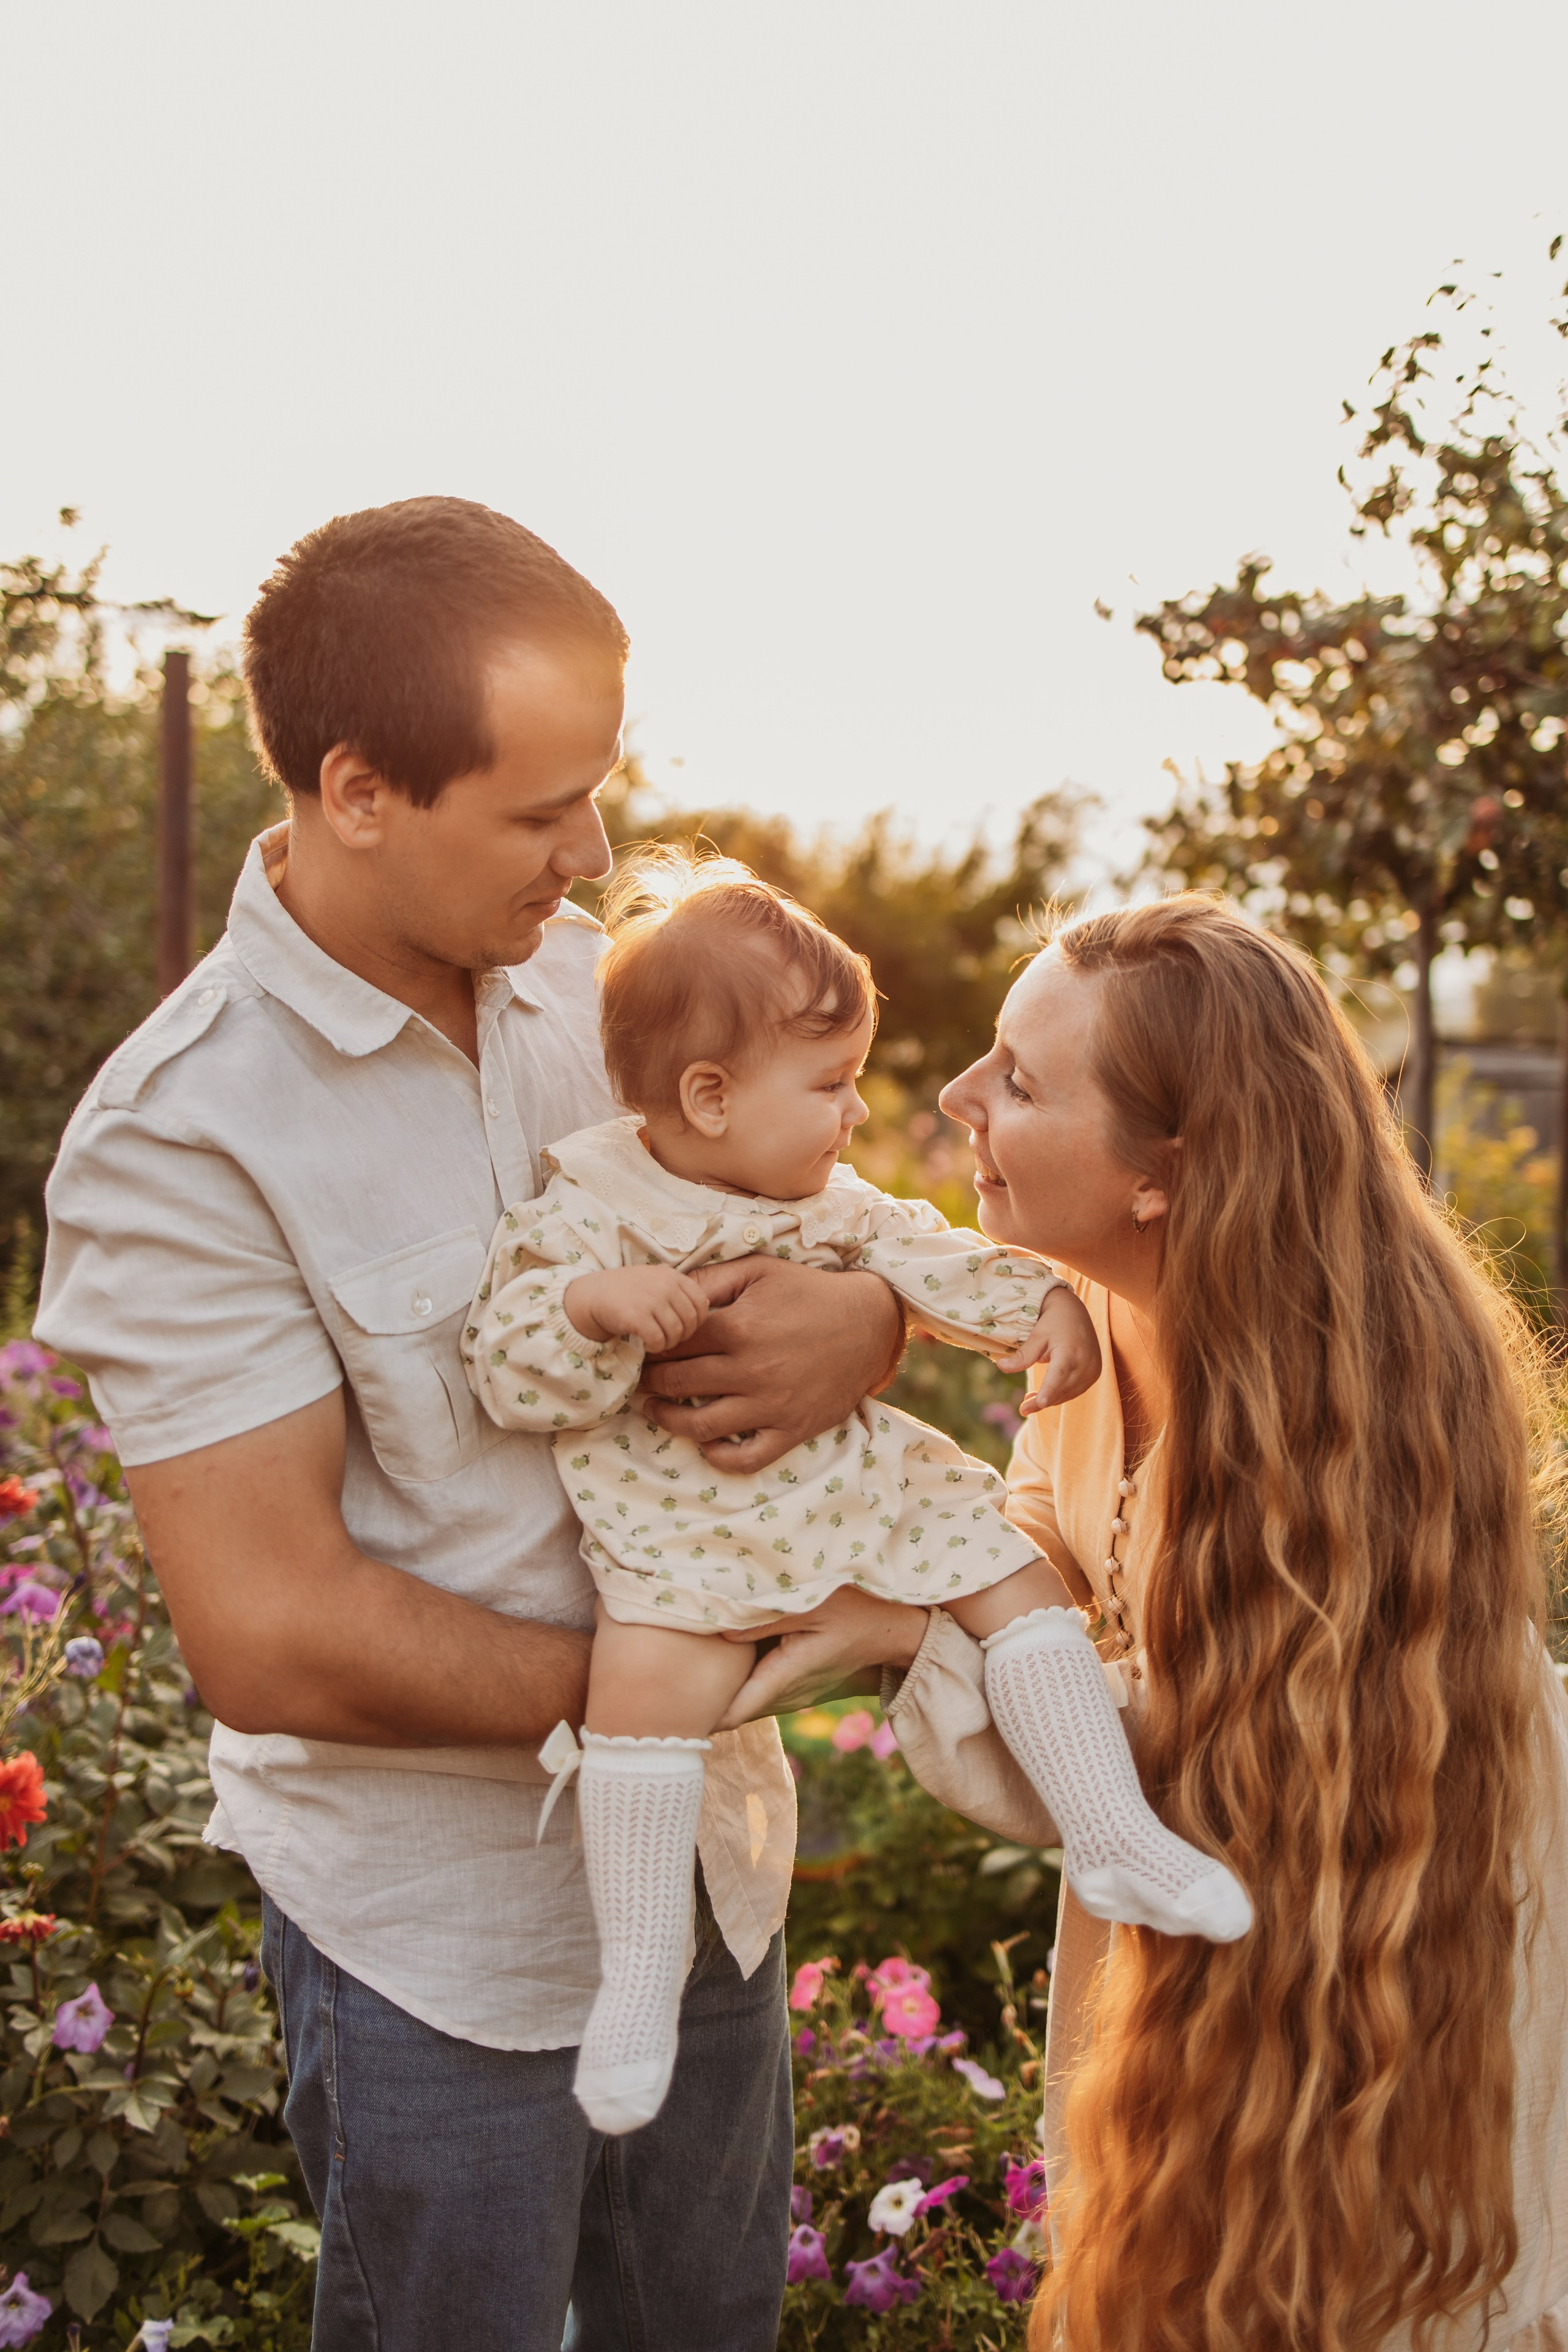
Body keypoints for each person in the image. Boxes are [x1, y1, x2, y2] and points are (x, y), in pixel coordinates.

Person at [32, 496, 912, 2352]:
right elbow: (271, 1634)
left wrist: (867, 1318)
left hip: (706, 1894)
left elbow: (809, 1204)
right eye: (538, 811)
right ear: (359, 790)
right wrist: (696, 1682)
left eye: (596, 790)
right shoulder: (185, 1138)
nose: (592, 846)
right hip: (439, 1952)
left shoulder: (601, 990)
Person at [731, 895, 1568, 2350]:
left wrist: (901, 1628)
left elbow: (1170, 1753)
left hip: (1387, 1916)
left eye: (1022, 1081)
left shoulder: (1342, 1406)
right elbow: (1042, 1560)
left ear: (1161, 1175)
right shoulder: (1092, 1308)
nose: (955, 1100)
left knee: (1371, 2286)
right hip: (1204, 1902)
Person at [463, 851, 1252, 2135]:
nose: (857, 1115)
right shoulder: (593, 1204)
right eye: (829, 1086)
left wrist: (1040, 1305)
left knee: (1011, 1576)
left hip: (854, 1496)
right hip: (681, 1522)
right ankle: (635, 1983)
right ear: (708, 1097)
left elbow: (932, 1256)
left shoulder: (830, 1201)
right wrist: (592, 1309)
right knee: (644, 1695)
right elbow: (511, 1364)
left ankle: (1112, 1830)